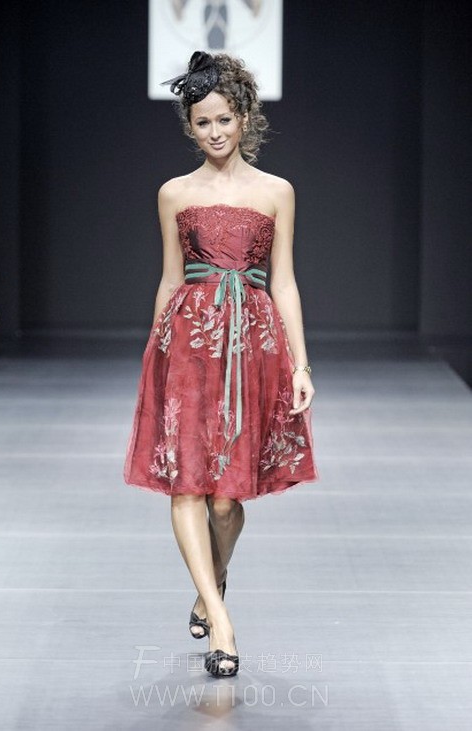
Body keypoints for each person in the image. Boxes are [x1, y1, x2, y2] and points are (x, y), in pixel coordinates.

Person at [123, 50, 319, 678]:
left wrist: (301, 366)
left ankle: (214, 578)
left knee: (228, 501)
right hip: (187, 344)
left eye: (224, 119)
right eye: (202, 122)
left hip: (251, 346)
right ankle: (221, 622)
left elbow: (283, 281)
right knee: (187, 483)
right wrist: (155, 353)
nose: (214, 132)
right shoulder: (174, 193)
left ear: (245, 118)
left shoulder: (276, 191)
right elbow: (170, 278)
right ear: (190, 125)